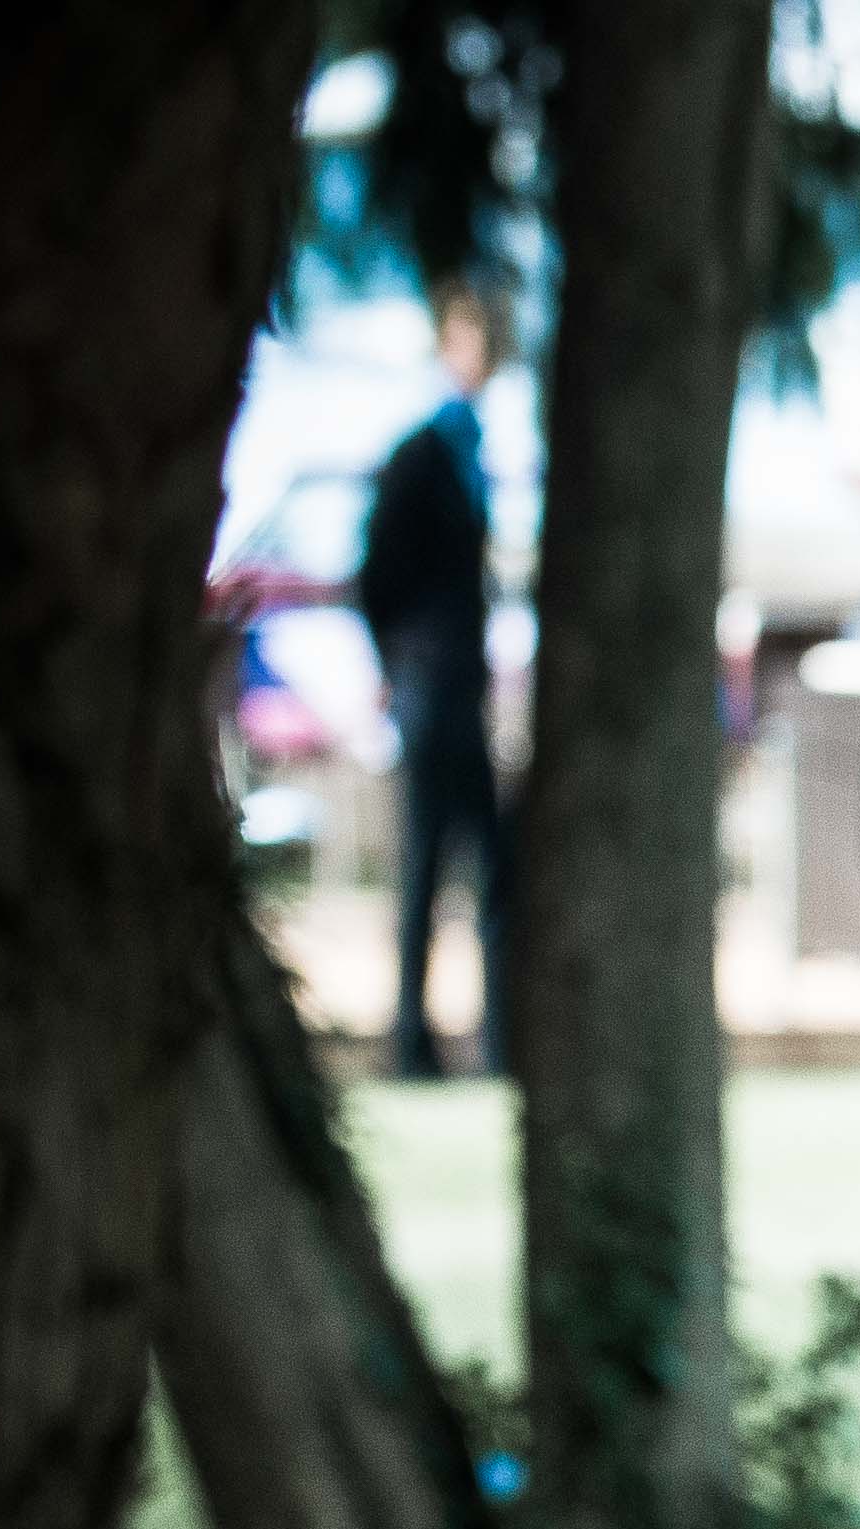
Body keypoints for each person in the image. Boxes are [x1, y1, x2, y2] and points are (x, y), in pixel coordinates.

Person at [355, 275, 512, 1082]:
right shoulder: (421, 455)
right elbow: (377, 572)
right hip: (427, 686)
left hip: (464, 690)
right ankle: (411, 1045)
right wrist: (395, 663)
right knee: (421, 867)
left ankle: (500, 1043)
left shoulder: (471, 453)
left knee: (489, 865)